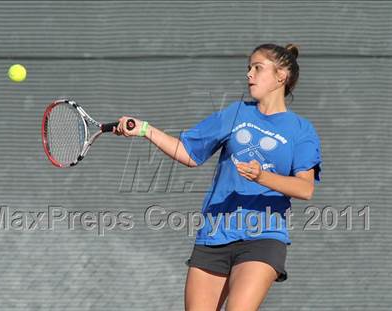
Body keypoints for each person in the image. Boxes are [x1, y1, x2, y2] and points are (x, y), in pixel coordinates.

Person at [114, 43, 322, 311]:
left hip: (263, 238)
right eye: (249, 68)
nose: (249, 74)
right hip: (213, 235)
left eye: (257, 68)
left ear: (281, 75)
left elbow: (305, 188)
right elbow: (189, 153)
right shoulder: (235, 113)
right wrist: (145, 129)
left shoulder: (302, 130)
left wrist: (262, 176)